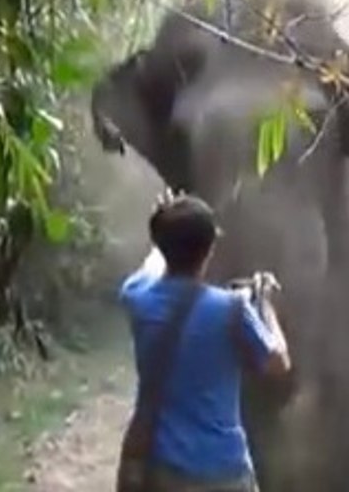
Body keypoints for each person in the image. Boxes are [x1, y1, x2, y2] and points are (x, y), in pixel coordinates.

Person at [119, 192, 291, 492]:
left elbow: (152, 265)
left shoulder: (136, 296)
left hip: (163, 470)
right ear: (210, 249)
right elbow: (278, 362)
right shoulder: (234, 309)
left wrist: (166, 224)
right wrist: (265, 305)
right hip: (223, 472)